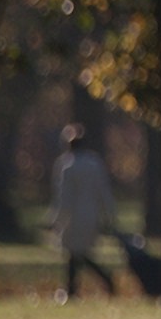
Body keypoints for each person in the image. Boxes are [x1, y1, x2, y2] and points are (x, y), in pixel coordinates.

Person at [50, 124, 118, 301]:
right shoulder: (94, 163)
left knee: (76, 253)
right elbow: (104, 191)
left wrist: (57, 220)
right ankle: (73, 289)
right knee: (77, 254)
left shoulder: (67, 166)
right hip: (91, 215)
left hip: (73, 217)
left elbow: (64, 197)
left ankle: (95, 282)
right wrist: (109, 214)